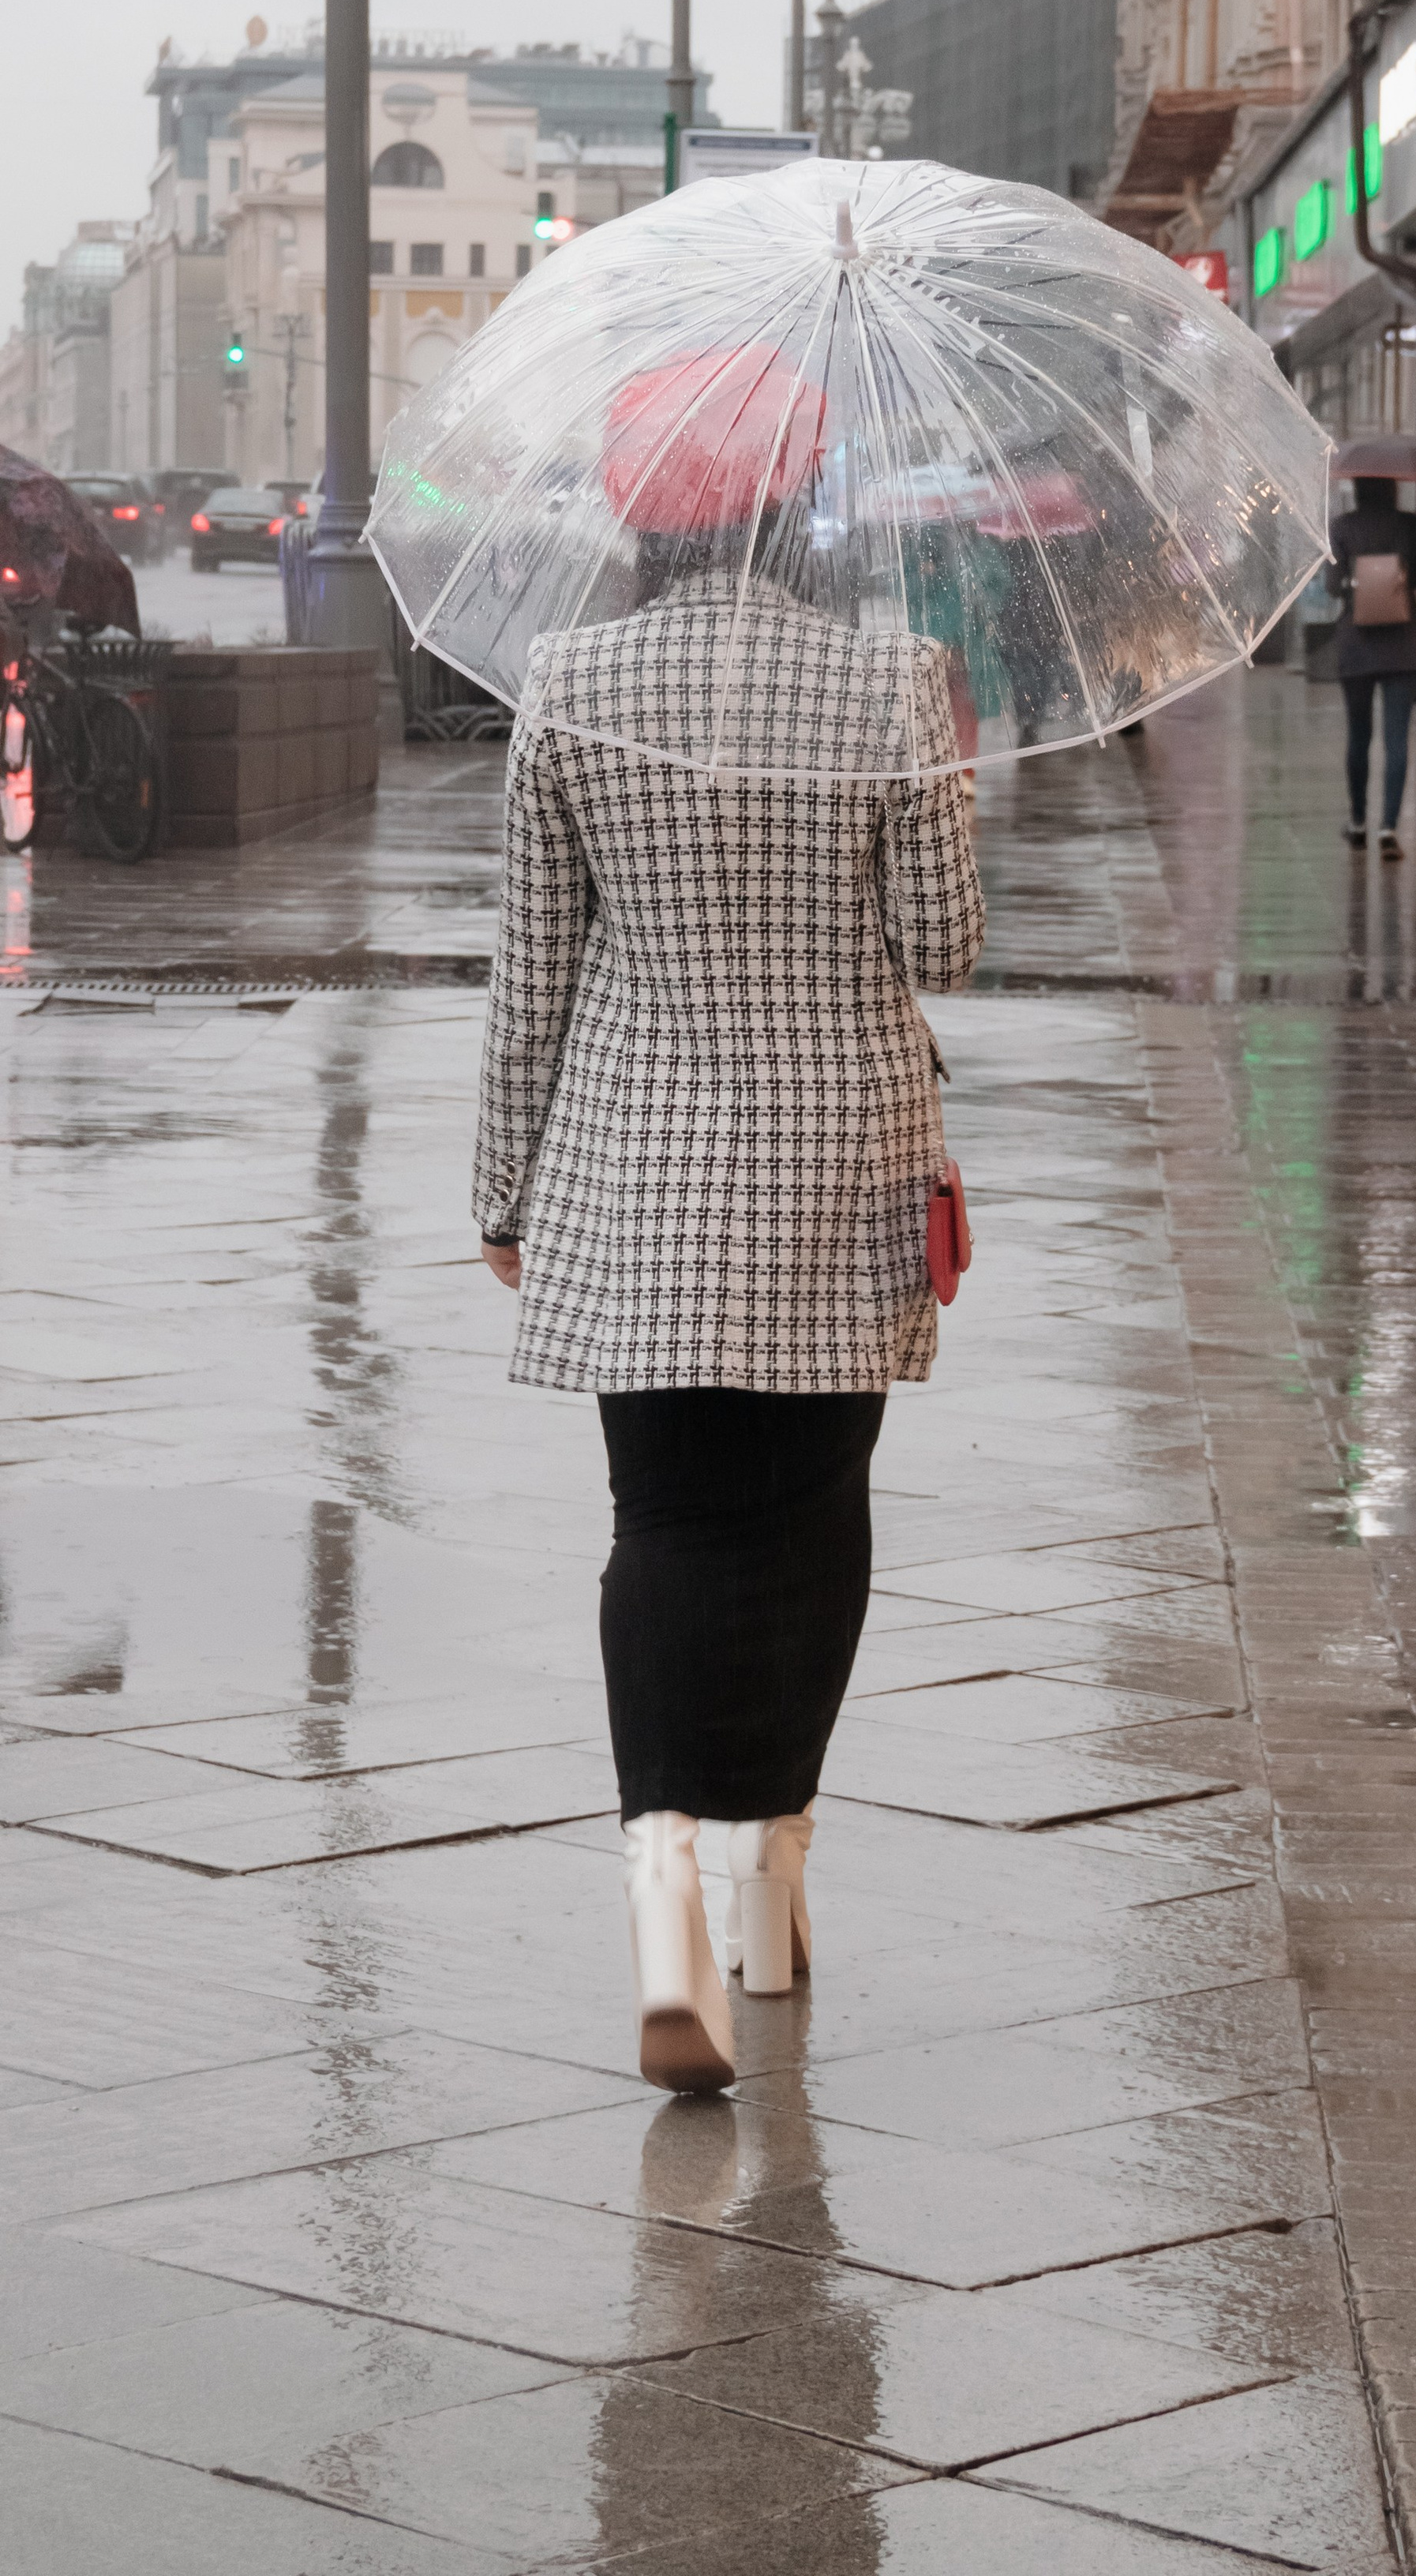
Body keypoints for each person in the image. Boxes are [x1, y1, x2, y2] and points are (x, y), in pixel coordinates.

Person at [473, 360, 987, 2098]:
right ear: (798, 503)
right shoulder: (889, 680)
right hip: (837, 1171)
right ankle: (772, 1891)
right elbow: (946, 947)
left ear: (630, 512)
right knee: (809, 1518)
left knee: (663, 1528)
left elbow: (530, 966)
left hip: (630, 1164)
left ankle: (662, 1910)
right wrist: (943, 781)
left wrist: (501, 1186)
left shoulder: (569, 678)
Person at [1327, 472, 1416, 857]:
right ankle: (1389, 828)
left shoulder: (1343, 527)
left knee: (1358, 736)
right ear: (1392, 488)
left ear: (1358, 489)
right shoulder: (1411, 525)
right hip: (1402, 647)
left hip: (1357, 646)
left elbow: (1331, 585)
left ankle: (1358, 821)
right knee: (1397, 740)